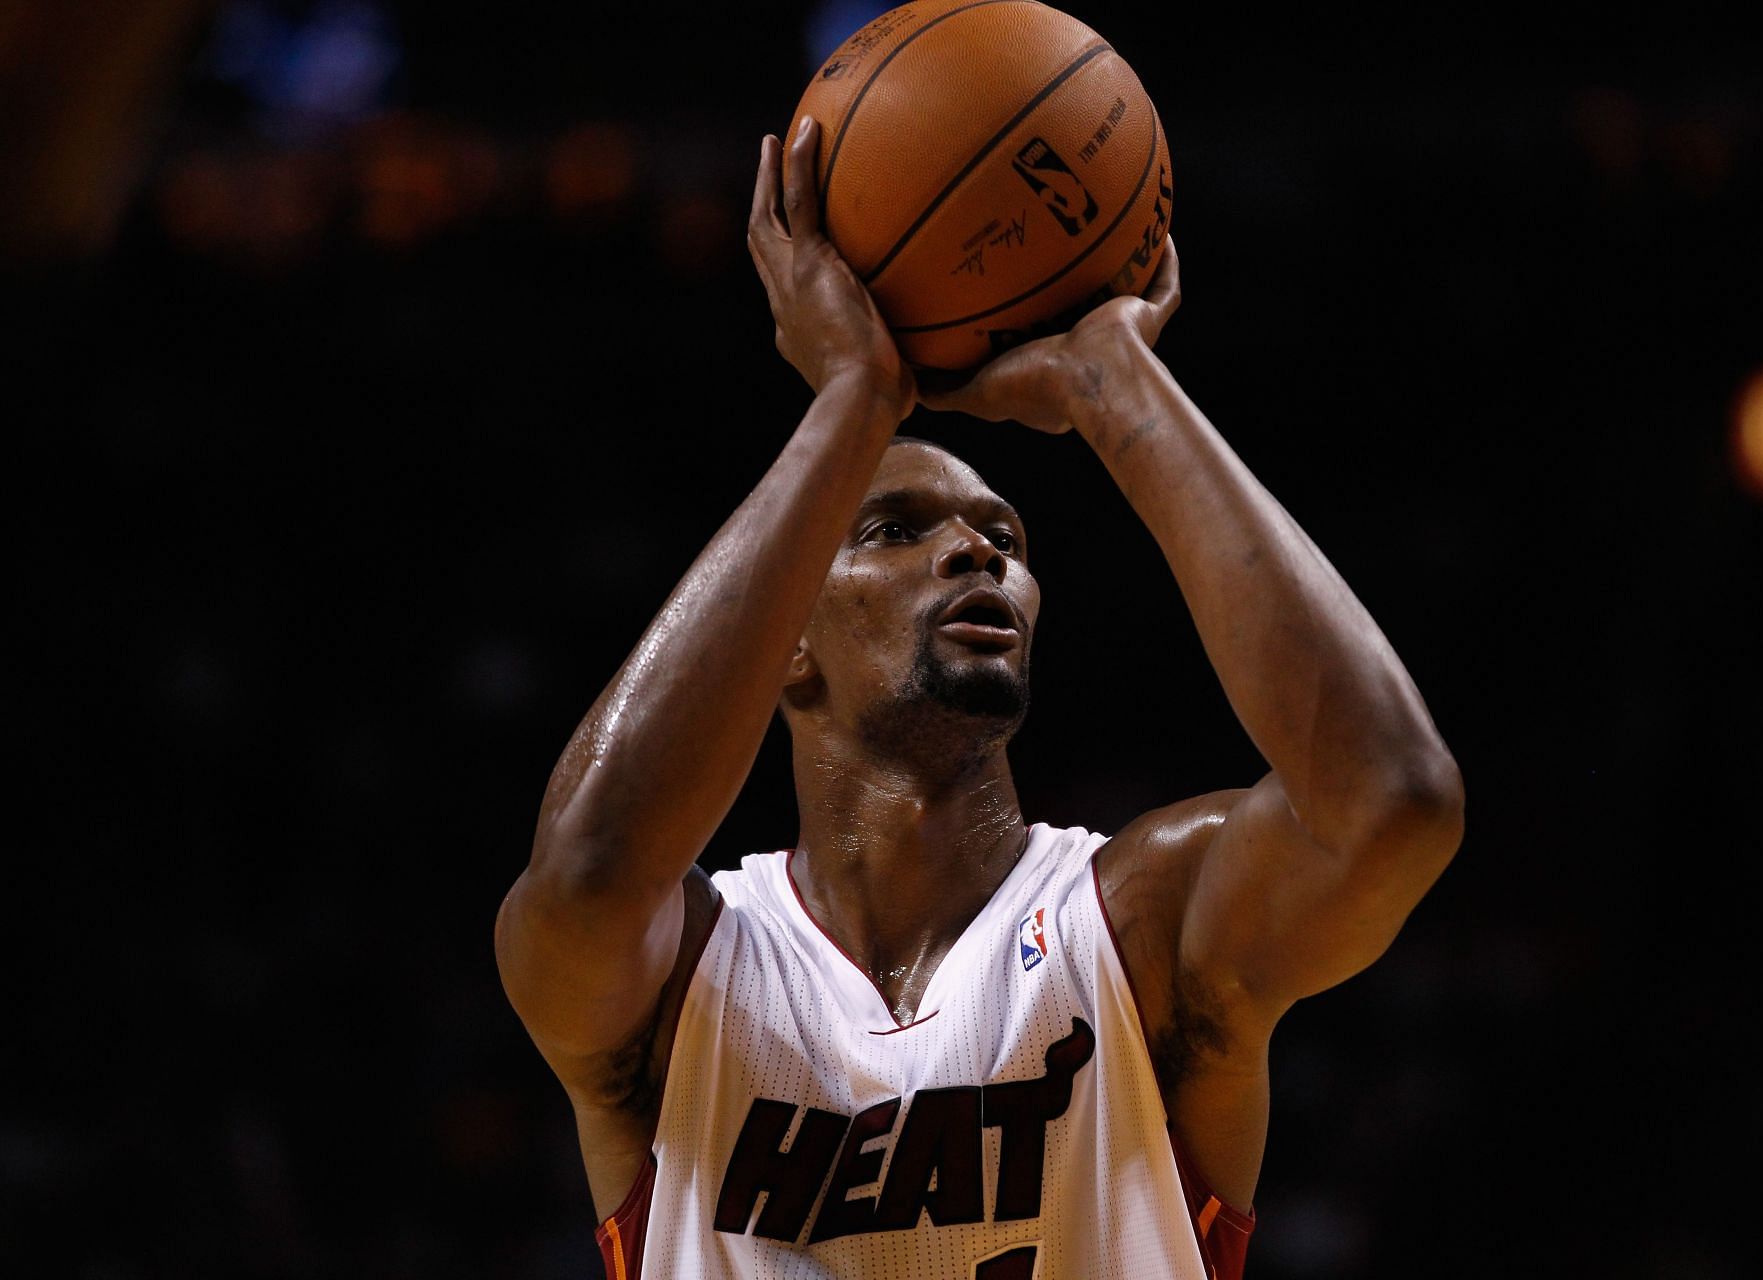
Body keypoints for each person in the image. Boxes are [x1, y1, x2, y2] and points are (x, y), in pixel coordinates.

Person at [494, 117, 1465, 1280]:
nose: (973, 550)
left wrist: (1116, 381)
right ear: (777, 646)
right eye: (897, 529)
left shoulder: (1138, 923)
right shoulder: (687, 970)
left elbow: (1391, 799)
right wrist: (854, 400)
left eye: (1002, 535)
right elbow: (586, 867)